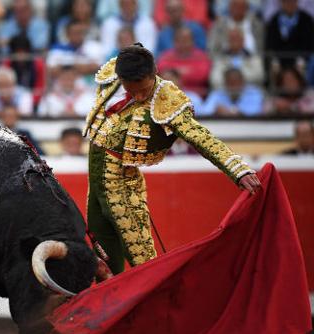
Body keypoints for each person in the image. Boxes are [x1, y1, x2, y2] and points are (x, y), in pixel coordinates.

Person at [83, 44, 260, 274]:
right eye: (131, 89)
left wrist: (238, 170)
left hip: (122, 182)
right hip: (96, 182)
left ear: (155, 71)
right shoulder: (114, 75)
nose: (138, 96)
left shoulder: (168, 99)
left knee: (142, 257)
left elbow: (201, 137)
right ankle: (109, 305)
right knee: (103, 254)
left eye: (143, 90)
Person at [156, 26, 211, 96]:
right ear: (174, 41)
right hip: (170, 95)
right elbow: (162, 72)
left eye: (186, 40)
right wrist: (188, 71)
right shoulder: (166, 56)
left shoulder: (201, 56)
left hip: (197, 95)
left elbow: (202, 75)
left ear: (192, 41)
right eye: (180, 40)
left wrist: (176, 73)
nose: (183, 43)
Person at [265, 0, 314, 70]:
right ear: (281, 3)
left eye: (292, 1)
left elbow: (310, 44)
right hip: (280, 62)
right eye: (286, 2)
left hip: (302, 62)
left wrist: (302, 59)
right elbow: (269, 45)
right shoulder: (274, 20)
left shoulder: (307, 20)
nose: (290, 4)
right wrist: (274, 60)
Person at [199, 67, 264, 116]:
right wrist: (215, 109)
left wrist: (232, 112)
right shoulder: (217, 93)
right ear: (225, 83)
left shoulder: (253, 93)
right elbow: (205, 111)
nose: (234, 86)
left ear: (243, 81)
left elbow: (256, 111)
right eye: (230, 82)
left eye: (236, 82)